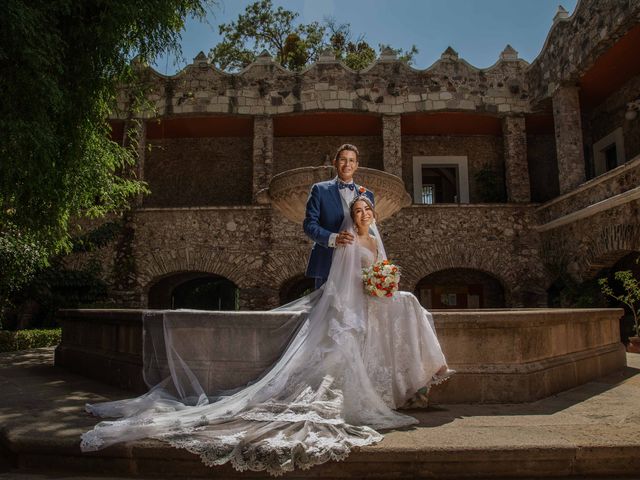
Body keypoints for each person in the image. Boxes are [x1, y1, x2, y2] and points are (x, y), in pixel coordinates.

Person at [80, 194, 453, 476]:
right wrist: (364, 292)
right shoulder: (346, 240)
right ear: (351, 216)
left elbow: (382, 270)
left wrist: (384, 284)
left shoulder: (373, 239)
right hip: (352, 304)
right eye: (358, 211)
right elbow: (340, 283)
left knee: (408, 302)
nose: (363, 215)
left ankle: (424, 373)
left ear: (373, 214)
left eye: (367, 210)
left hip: (372, 300)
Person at [303, 143, 374, 289]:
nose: (347, 164)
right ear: (335, 162)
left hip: (359, 266)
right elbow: (309, 224)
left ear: (356, 165)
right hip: (327, 261)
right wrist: (333, 238)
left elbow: (370, 227)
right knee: (326, 310)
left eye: (351, 160)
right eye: (343, 159)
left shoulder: (367, 194)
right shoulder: (319, 190)